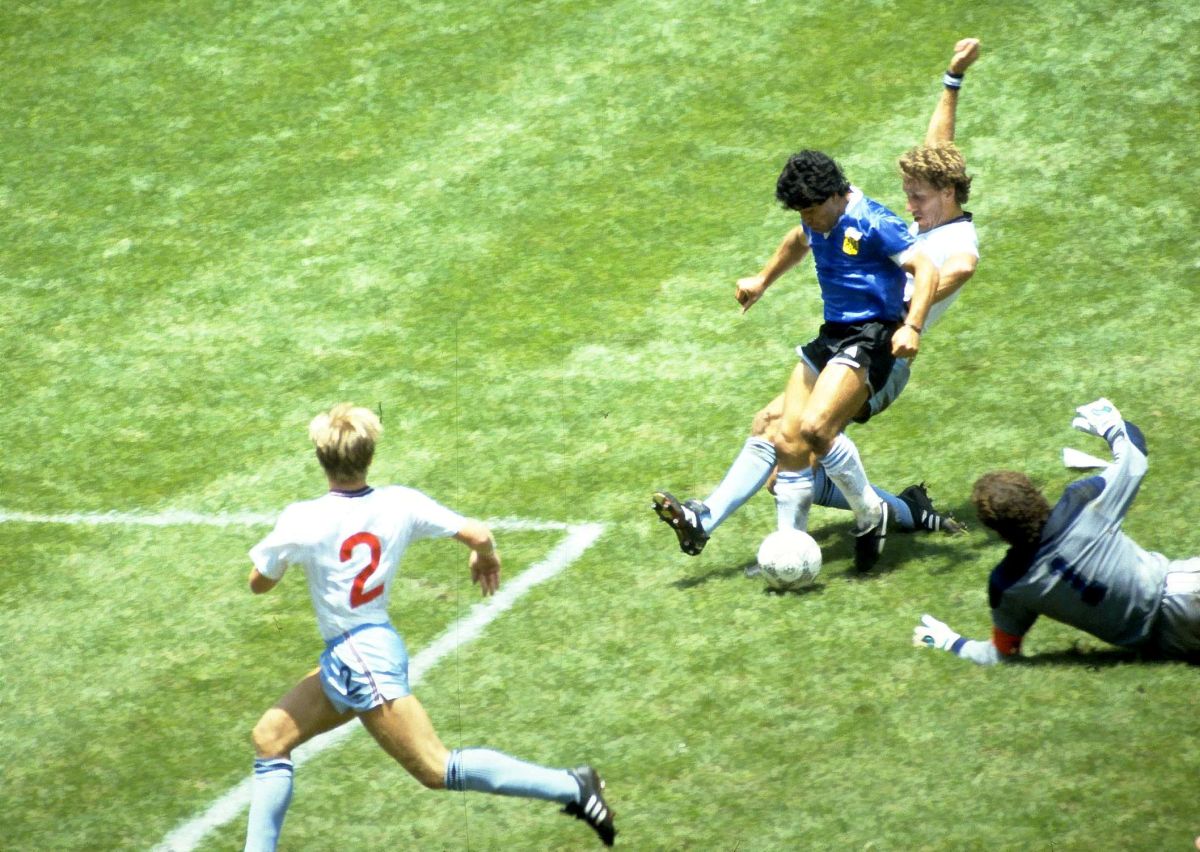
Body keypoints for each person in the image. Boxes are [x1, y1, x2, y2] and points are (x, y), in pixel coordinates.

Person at [653, 38, 981, 564]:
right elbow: (936, 152)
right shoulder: (910, 211)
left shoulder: (954, 247)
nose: (909, 202)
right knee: (774, 435)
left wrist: (910, 323)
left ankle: (869, 517)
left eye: (918, 195)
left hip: (882, 349)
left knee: (806, 439)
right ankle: (709, 519)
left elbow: (933, 274)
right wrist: (952, 79)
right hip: (843, 338)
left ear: (948, 194)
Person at [243, 404, 616, 850]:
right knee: (270, 737)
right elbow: (477, 534)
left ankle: (574, 787)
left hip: (361, 658)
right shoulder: (401, 502)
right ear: (369, 454)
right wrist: (486, 556)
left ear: (320, 457)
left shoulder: (302, 518)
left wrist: (280, 561)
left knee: (436, 768)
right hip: (361, 650)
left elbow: (259, 585)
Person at [913, 398, 1200, 664]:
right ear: (1036, 493)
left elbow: (1002, 654)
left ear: (998, 532)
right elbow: (1135, 456)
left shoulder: (1008, 583)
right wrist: (1111, 424)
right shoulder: (1081, 504)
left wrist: (950, 641)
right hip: (1184, 590)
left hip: (1168, 643)